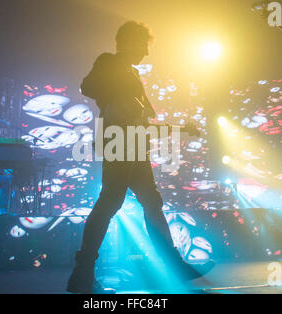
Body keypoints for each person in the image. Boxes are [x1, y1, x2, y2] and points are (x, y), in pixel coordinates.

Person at [67, 21, 214, 294]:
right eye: (143, 45)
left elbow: (143, 120)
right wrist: (122, 89)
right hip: (121, 142)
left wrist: (183, 129)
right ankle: (83, 272)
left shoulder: (131, 73)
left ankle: (171, 265)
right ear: (129, 42)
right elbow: (88, 86)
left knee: (149, 202)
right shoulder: (109, 62)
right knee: (112, 201)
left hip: (133, 143)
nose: (146, 53)